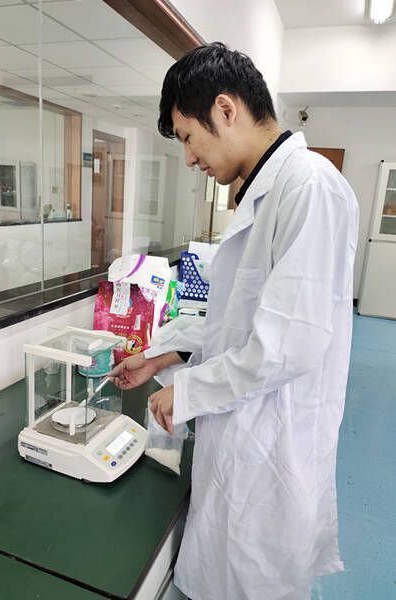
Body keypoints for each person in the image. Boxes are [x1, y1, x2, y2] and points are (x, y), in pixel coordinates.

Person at [109, 42, 359, 600]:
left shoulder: (308, 188)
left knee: (255, 578)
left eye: (187, 138)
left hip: (273, 444)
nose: (189, 158)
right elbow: (234, 321)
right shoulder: (263, 192)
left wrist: (188, 390)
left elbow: (287, 345)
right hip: (243, 433)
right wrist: (162, 352)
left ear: (225, 109)